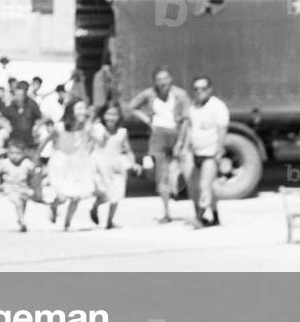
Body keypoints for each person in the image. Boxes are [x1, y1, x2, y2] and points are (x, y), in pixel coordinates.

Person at [125, 68, 191, 223]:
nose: (162, 82)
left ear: (171, 79)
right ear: (154, 81)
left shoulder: (180, 95)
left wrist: (181, 142)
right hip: (158, 135)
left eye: (165, 78)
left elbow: (187, 120)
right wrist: (148, 120)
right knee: (161, 175)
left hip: (176, 133)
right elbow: (131, 106)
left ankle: (197, 208)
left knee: (183, 170)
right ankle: (167, 212)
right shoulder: (150, 94)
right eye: (159, 79)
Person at [180, 76, 229, 228]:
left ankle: (200, 218)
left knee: (204, 185)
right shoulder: (194, 107)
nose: (199, 92)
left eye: (203, 88)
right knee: (197, 187)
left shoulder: (217, 106)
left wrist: (219, 150)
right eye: (196, 89)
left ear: (210, 89)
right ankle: (215, 217)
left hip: (210, 152)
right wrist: (184, 147)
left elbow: (222, 129)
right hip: (196, 152)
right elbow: (190, 129)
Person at [43, 99, 97, 231]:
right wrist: (36, 158)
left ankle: (67, 223)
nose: (82, 111)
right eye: (79, 108)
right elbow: (45, 141)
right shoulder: (60, 127)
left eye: (84, 108)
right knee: (62, 196)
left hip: (78, 163)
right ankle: (54, 206)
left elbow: (94, 141)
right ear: (71, 110)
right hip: (61, 163)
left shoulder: (87, 127)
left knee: (76, 196)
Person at [90, 103, 139, 229]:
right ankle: (95, 207)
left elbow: (128, 150)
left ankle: (109, 221)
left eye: (114, 114)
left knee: (117, 193)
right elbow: (97, 145)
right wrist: (104, 138)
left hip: (117, 164)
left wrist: (133, 163)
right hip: (101, 165)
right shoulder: (98, 128)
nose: (111, 117)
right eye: (108, 114)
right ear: (103, 115)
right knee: (105, 194)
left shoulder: (122, 132)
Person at [0, 141, 35, 232]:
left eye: (18, 153)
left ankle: (20, 218)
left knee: (23, 203)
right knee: (18, 203)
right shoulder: (4, 162)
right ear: (8, 153)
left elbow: (33, 174)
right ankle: (23, 223)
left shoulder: (26, 163)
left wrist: (33, 185)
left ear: (23, 154)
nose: (14, 156)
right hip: (9, 187)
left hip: (23, 187)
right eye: (11, 153)